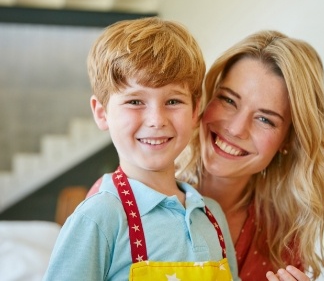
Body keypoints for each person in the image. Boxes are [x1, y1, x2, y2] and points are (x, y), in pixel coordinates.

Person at [43, 17, 239, 281]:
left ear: (195, 110)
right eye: (135, 101)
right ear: (102, 113)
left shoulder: (212, 215)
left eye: (172, 100)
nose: (156, 119)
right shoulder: (99, 218)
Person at [175, 30, 324, 281]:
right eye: (228, 100)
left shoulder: (283, 239)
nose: (235, 128)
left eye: (265, 119)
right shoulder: (135, 199)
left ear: (288, 139)